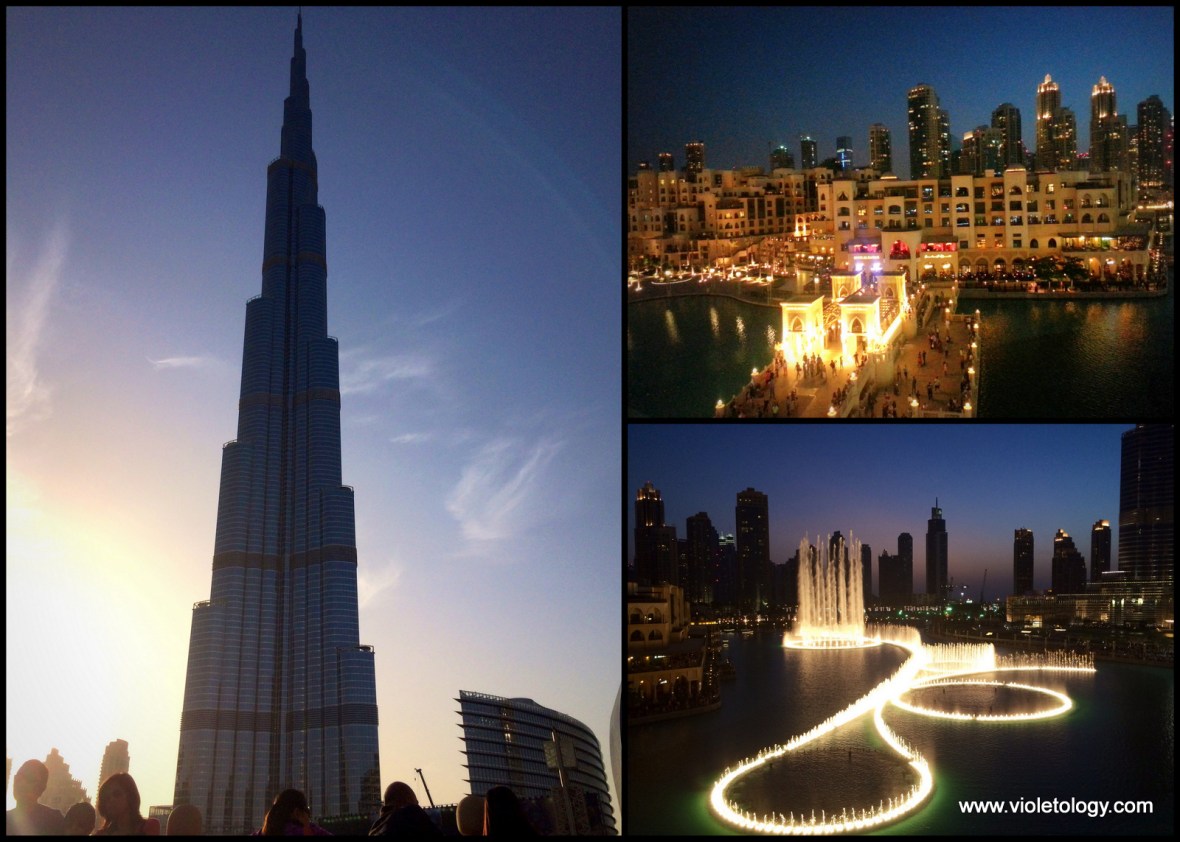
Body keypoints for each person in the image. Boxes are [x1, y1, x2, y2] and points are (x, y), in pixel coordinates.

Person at [6, 759, 66, 835]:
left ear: (41, 788)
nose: (21, 783)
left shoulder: (54, 820)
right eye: (19, 777)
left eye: (30, 779)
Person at [94, 772, 159, 835]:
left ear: (130, 796)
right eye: (107, 798)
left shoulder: (149, 826)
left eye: (117, 794)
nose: (111, 800)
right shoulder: (101, 834)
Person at [368, 781, 440, 836]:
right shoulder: (411, 814)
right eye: (416, 803)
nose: (419, 806)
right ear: (407, 800)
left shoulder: (374, 829)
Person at [254, 789, 330, 836]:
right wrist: (307, 827)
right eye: (306, 810)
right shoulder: (309, 831)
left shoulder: (262, 832)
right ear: (297, 812)